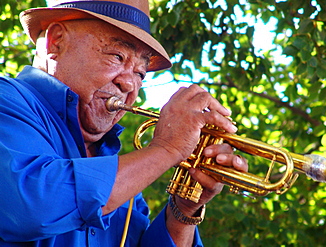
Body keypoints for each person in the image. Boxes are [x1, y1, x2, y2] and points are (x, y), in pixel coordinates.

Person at [0, 0, 248, 246]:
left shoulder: (122, 175)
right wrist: (167, 149)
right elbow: (31, 206)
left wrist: (184, 208)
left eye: (140, 73)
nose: (130, 85)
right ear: (56, 41)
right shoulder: (6, 100)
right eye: (117, 56)